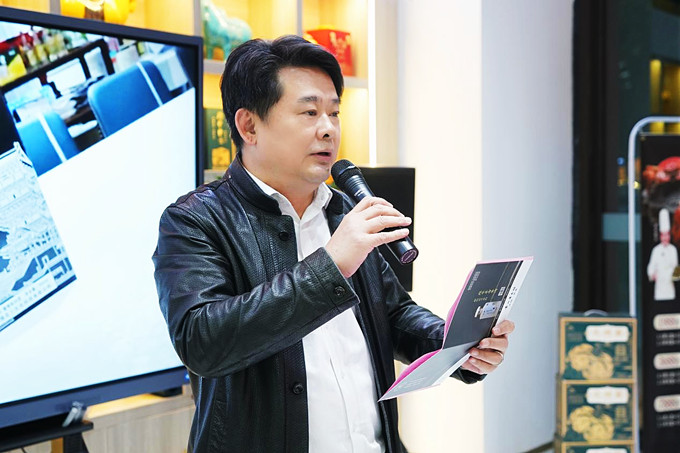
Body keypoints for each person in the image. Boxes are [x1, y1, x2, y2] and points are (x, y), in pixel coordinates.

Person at [152, 35, 515, 453]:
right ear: (249, 126)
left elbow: (393, 314)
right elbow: (203, 341)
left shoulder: (343, 210)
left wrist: (456, 346)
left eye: (334, 113)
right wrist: (331, 265)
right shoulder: (194, 220)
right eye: (309, 112)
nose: (328, 128)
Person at [647, 208, 678, 301]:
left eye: (667, 235)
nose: (665, 237)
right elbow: (651, 267)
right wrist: (653, 274)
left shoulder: (673, 250)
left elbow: (676, 268)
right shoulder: (656, 250)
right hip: (659, 290)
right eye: (663, 235)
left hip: (670, 290)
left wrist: (673, 277)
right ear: (660, 236)